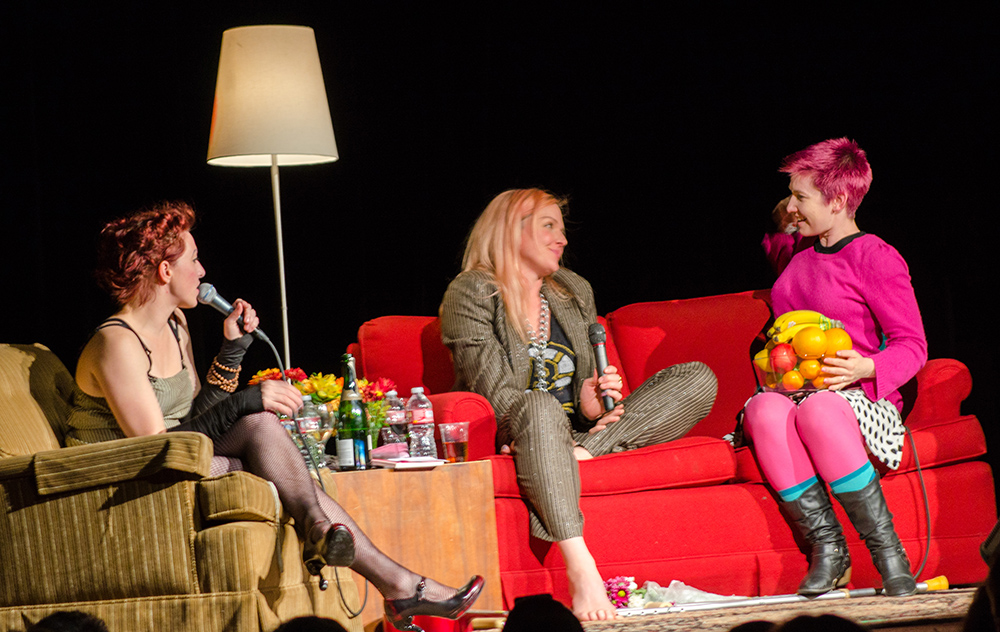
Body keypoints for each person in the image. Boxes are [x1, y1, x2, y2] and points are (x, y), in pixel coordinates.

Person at [66, 202, 483, 632]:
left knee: (264, 430)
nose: (203, 271)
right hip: (118, 475)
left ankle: (349, 550)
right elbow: (160, 446)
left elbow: (193, 418)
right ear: (165, 271)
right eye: (194, 259)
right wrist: (244, 401)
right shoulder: (117, 343)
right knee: (262, 441)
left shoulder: (175, 324)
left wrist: (233, 349)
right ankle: (391, 581)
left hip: (178, 456)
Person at [439, 189, 717, 620]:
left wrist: (590, 407)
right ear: (512, 231)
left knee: (697, 377)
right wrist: (550, 422)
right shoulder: (471, 291)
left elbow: (584, 385)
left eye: (561, 228)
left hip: (580, 435)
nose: (562, 239)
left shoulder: (572, 289)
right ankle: (581, 568)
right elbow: (493, 391)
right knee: (538, 405)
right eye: (548, 226)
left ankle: (583, 454)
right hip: (520, 426)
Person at [743, 138, 926, 597]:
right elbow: (777, 237)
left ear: (839, 200)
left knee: (820, 408)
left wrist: (867, 366)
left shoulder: (874, 257)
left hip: (860, 400)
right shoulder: (798, 256)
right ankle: (828, 549)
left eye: (800, 197)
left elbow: (913, 345)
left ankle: (889, 554)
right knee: (761, 410)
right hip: (797, 390)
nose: (791, 207)